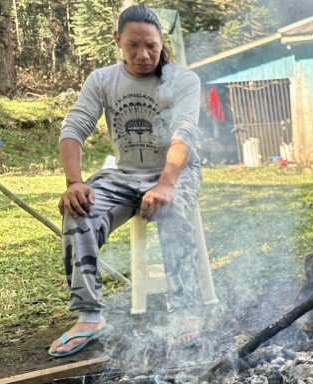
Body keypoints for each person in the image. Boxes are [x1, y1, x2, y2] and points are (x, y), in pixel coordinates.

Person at [49, 4, 204, 357]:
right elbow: (74, 128)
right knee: (78, 211)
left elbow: (185, 133)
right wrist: (74, 181)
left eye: (151, 45)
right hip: (123, 174)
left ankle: (184, 311)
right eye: (134, 45)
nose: (144, 54)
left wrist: (166, 184)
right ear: (118, 40)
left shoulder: (183, 80)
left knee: (174, 209)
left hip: (175, 171)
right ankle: (89, 315)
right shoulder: (102, 80)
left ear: (162, 41)